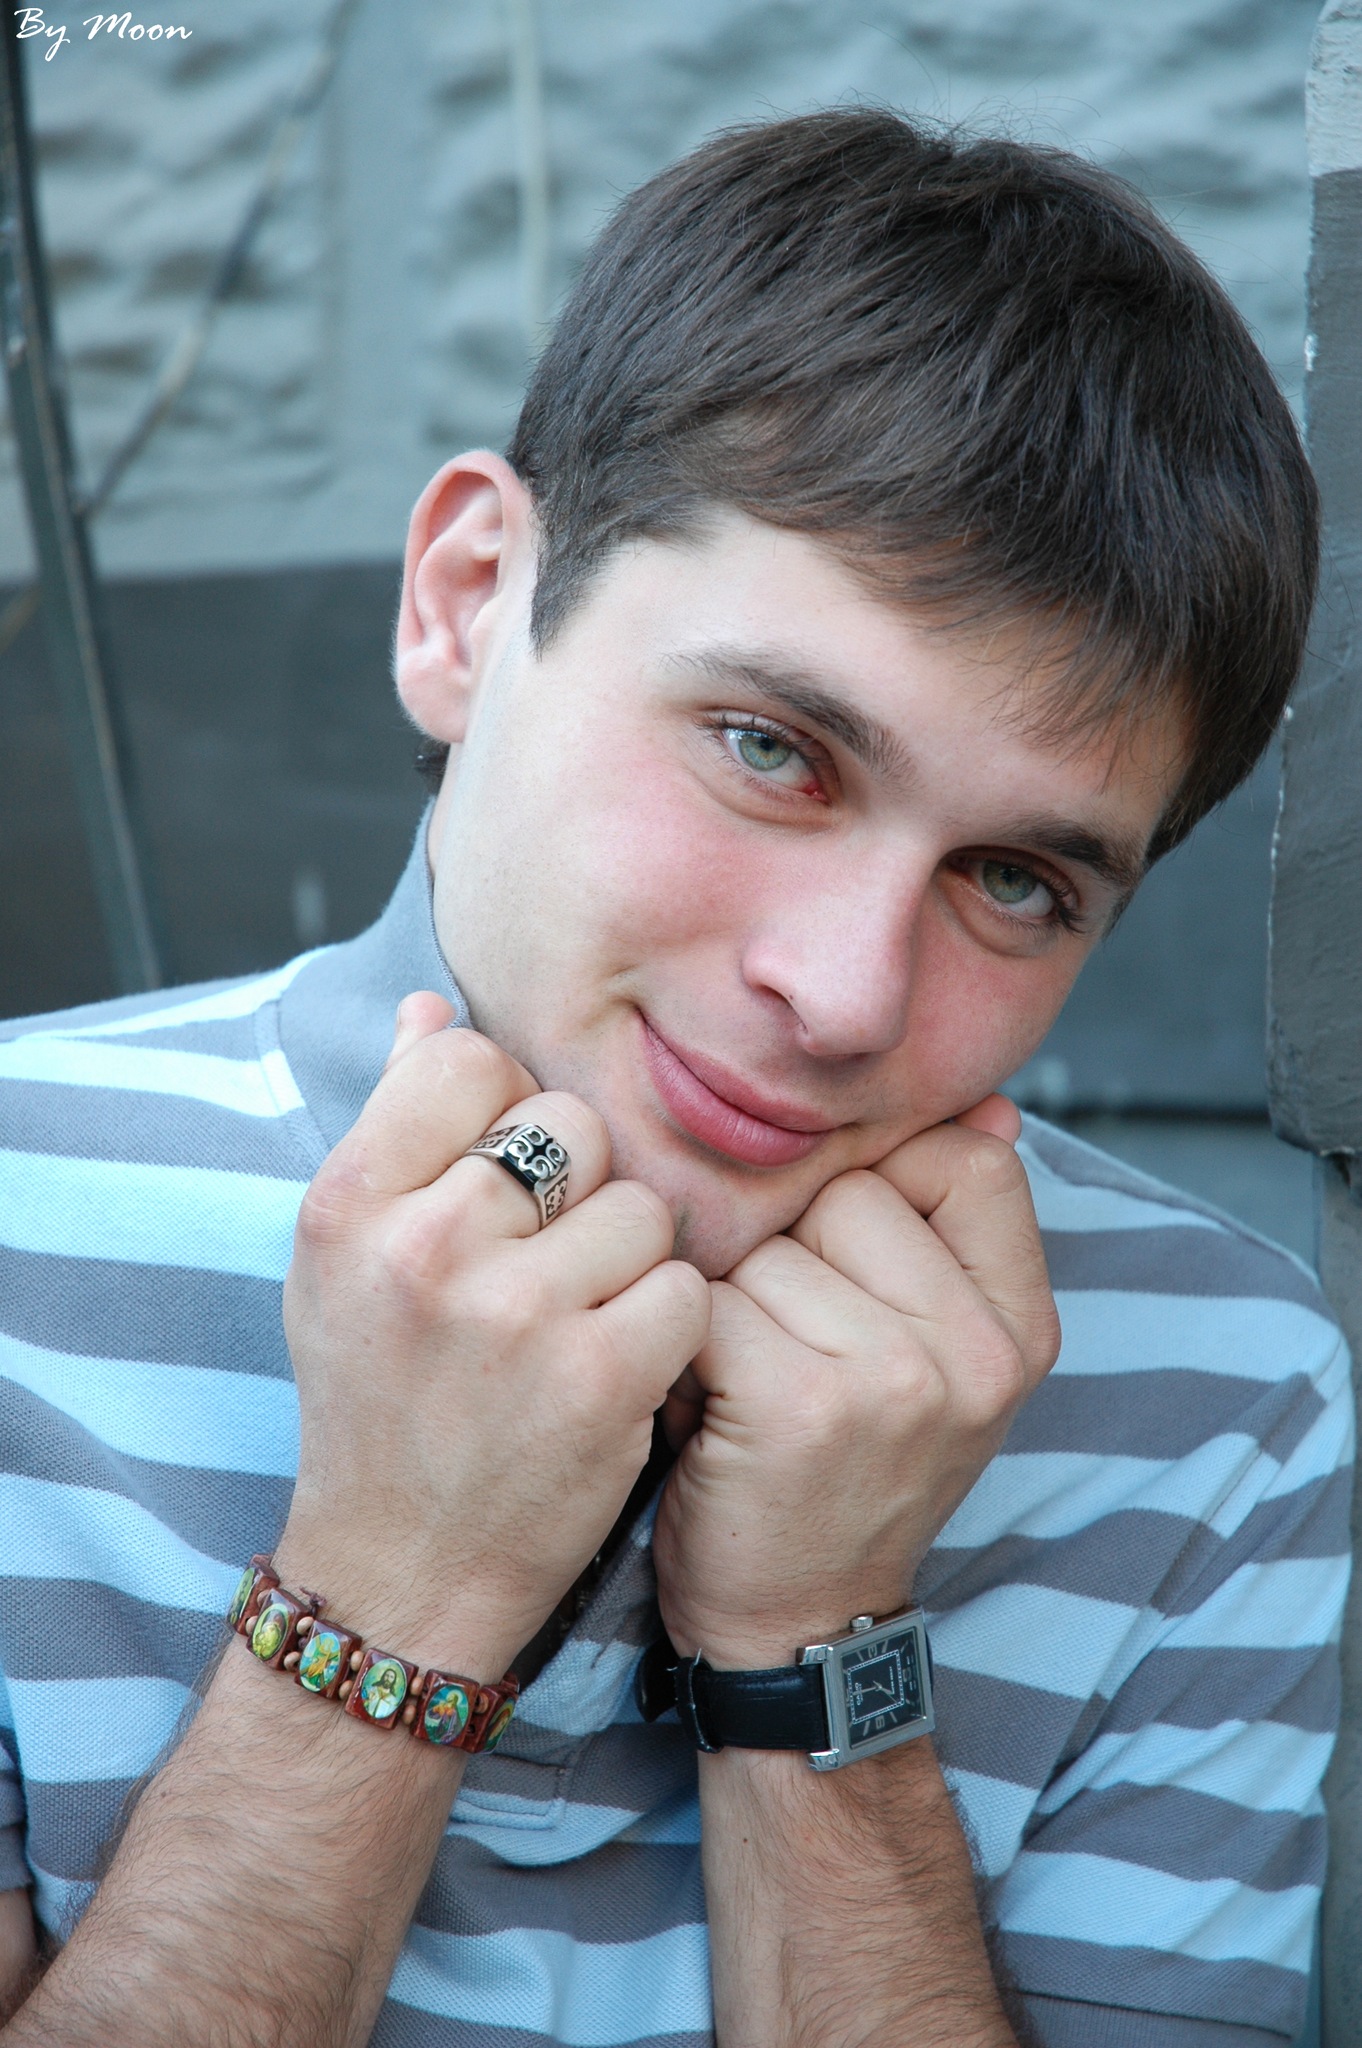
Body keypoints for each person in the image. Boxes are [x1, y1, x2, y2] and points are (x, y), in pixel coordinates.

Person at [0, 108, 1346, 2048]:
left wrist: (817, 1652)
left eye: (1014, 881)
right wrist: (395, 1593)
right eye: (770, 749)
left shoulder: (1222, 1391)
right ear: (468, 602)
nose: (843, 994)